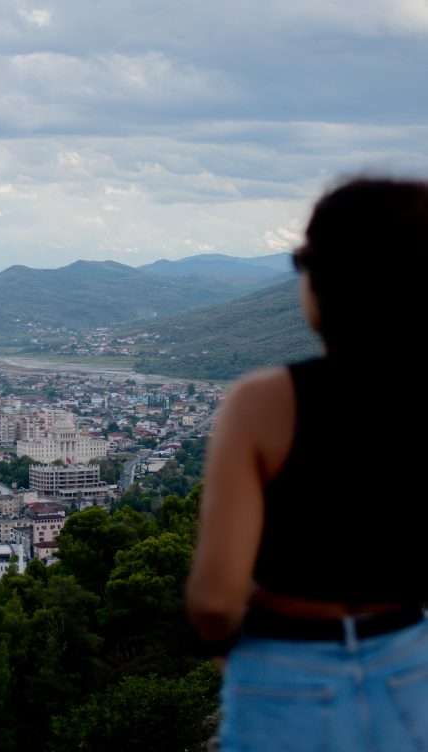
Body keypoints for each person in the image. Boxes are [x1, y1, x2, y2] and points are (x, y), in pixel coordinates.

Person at [186, 176, 428, 751]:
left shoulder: (264, 403)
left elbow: (216, 599)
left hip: (285, 666)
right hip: (412, 665)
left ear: (318, 282)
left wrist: (229, 651)